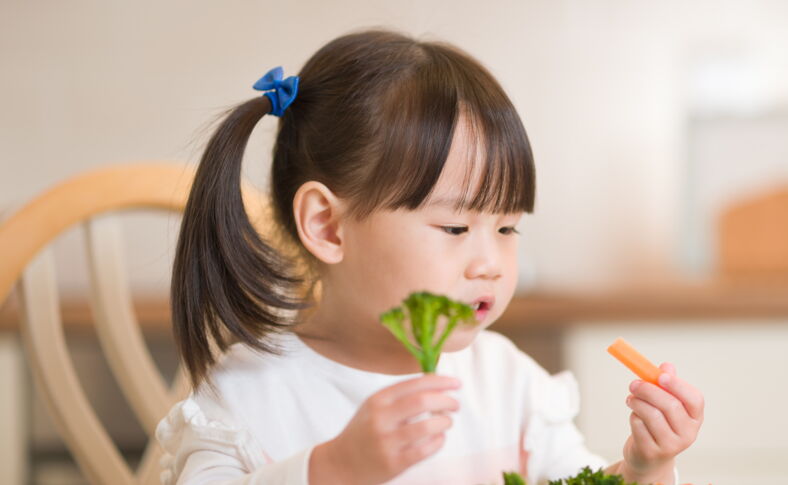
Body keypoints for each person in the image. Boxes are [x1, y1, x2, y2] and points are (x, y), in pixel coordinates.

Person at [156, 27, 703, 485]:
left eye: (508, 226)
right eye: (455, 226)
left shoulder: (509, 384)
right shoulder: (249, 397)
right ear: (327, 225)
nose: (490, 262)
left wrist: (645, 467)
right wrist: (332, 469)